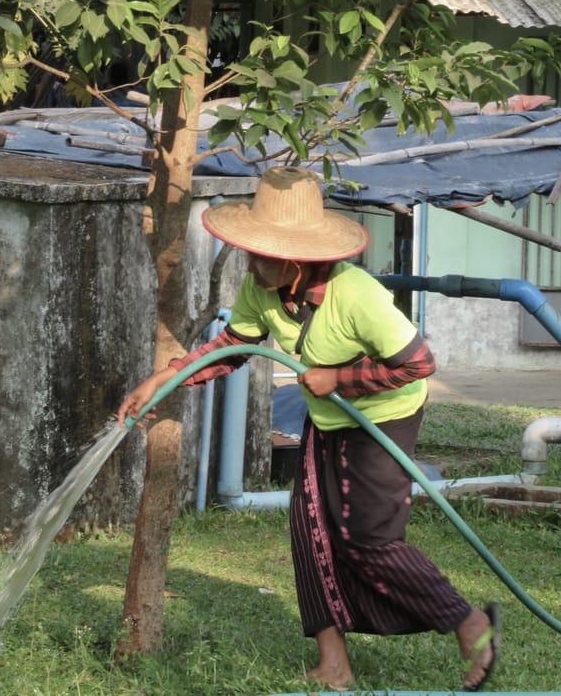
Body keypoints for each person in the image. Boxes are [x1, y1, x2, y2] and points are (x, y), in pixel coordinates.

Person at [118, 166, 500, 692]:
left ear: (296, 259)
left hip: (383, 419)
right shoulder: (264, 288)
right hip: (327, 420)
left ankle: (467, 621)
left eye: (261, 253)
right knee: (311, 531)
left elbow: (417, 363)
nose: (251, 263)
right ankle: (334, 665)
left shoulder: (356, 294)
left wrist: (340, 377)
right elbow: (231, 348)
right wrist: (163, 379)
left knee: (368, 539)